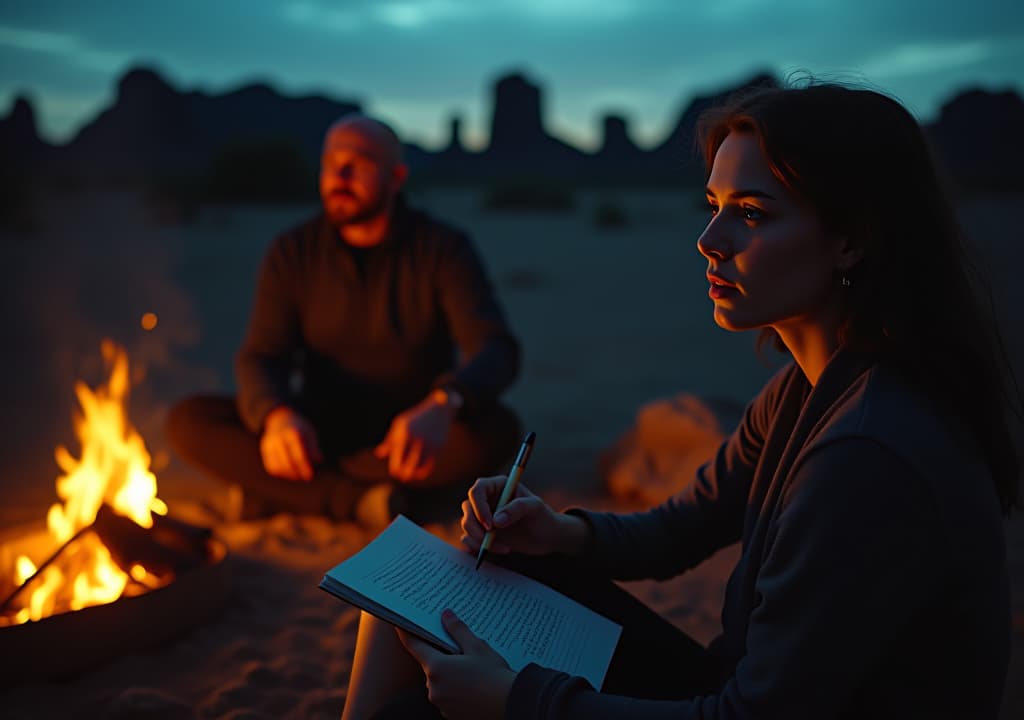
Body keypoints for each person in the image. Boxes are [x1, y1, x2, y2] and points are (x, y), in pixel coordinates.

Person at [339, 82, 1021, 719]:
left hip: (738, 704)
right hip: (730, 688)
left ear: (851, 239)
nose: (709, 241)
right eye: (714, 206)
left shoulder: (867, 451)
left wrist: (521, 700)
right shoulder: (805, 390)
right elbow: (679, 531)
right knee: (420, 588)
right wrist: (557, 531)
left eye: (750, 214)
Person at [166, 113, 522, 526]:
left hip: (408, 439)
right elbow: (262, 356)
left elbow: (497, 349)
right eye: (331, 163)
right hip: (316, 432)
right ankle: (361, 501)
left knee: (498, 429)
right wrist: (277, 415)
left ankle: (290, 493)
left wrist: (444, 403)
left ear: (396, 177)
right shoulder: (292, 252)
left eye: (361, 162)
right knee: (190, 421)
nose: (341, 174)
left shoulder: (443, 249)